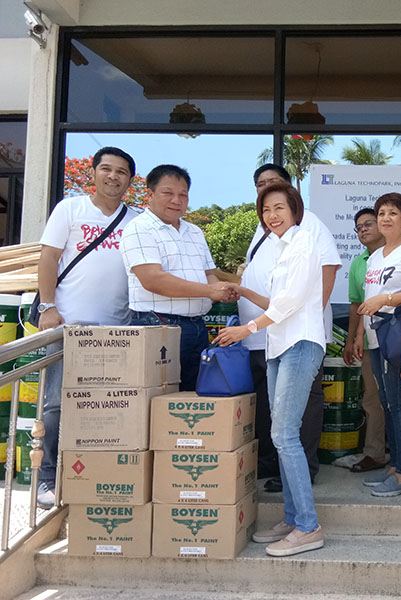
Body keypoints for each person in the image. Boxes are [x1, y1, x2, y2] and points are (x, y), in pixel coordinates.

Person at [217, 181, 326, 557]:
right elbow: (276, 301)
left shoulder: (303, 243)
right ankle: (294, 518)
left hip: (300, 344)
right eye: (266, 210)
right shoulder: (282, 250)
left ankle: (308, 526)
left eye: (279, 207)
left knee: (284, 434)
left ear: (295, 210)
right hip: (279, 347)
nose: (272, 215)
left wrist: (246, 329)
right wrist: (245, 292)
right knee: (282, 435)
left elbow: (291, 302)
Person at [35, 146, 140, 509]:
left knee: (107, 406)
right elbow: (48, 258)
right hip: (67, 325)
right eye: (106, 169)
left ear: (130, 180)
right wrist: (48, 306)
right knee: (55, 403)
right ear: (93, 173)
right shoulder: (70, 209)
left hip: (117, 331)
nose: (113, 176)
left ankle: (94, 475)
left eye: (121, 172)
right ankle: (48, 477)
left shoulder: (136, 220)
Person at [243, 164, 342, 492]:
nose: (267, 189)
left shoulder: (306, 226)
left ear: (291, 196)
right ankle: (280, 470)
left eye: (274, 184)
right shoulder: (268, 232)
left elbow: (326, 270)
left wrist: (310, 314)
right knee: (276, 415)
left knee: (299, 411)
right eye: (261, 185)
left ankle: (303, 474)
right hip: (270, 337)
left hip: (298, 336)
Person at [121, 165, 237, 391]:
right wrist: (210, 291)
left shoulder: (195, 231)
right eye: (168, 193)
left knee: (194, 396)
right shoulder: (138, 229)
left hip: (197, 326)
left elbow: (209, 275)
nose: (176, 200)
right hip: (157, 325)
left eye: (183, 195)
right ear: (150, 194)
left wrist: (223, 291)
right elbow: (153, 280)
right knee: (157, 396)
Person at [354, 193, 401, 497]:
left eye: (393, 213)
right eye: (381, 213)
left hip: (396, 337)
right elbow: (368, 296)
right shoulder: (376, 256)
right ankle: (395, 466)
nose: (385, 218)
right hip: (374, 337)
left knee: (399, 404)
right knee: (387, 404)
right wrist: (360, 333)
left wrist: (386, 299)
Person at [343, 208, 387, 474]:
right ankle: (374, 453)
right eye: (358, 227)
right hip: (370, 342)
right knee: (372, 399)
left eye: (368, 224)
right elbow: (356, 305)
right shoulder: (358, 263)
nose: (363, 230)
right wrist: (351, 340)